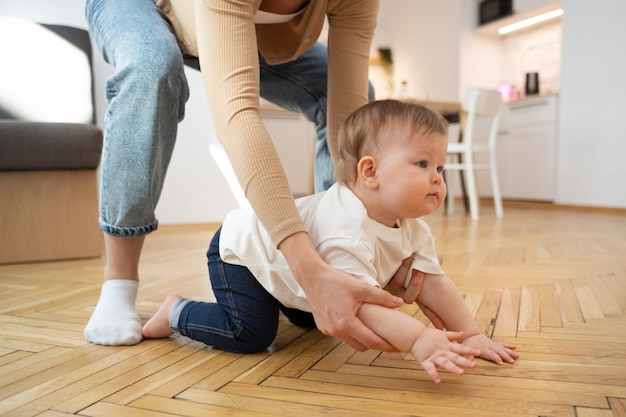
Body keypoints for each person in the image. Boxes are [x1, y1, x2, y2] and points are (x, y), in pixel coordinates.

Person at [83, 0, 415, 349]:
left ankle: (332, 253)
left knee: (356, 109)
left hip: (234, 27)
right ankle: (118, 282)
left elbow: (348, 119)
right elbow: (237, 115)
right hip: (140, 5)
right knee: (150, 68)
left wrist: (369, 232)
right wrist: (305, 269)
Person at [143, 100, 519, 383]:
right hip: (241, 251)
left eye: (440, 167)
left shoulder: (412, 226)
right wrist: (420, 339)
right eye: (422, 164)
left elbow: (433, 284)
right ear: (370, 171)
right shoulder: (346, 226)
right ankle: (176, 312)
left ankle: (279, 297)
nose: (437, 177)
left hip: (286, 268)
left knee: (316, 322)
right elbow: (359, 305)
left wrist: (471, 333)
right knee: (251, 334)